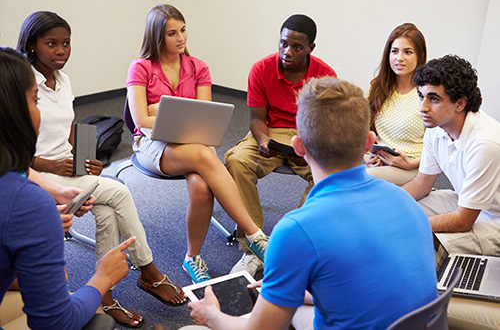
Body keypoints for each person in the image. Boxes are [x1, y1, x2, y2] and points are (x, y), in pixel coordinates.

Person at [186, 76, 438, 330]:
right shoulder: (405, 201)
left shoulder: (296, 230)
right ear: (369, 142)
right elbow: (372, 284)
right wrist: (293, 287)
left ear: (298, 147)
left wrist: (210, 316)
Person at [16, 10, 186, 328]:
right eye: (51, 43)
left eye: (66, 43)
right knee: (119, 191)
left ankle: (104, 299)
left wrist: (84, 157)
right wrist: (48, 163)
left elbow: (68, 128)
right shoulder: (23, 84)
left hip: (68, 167)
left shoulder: (63, 80)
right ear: (32, 45)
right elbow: (13, 154)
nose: (61, 50)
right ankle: (148, 271)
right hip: (39, 173)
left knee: (106, 212)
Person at [126, 4, 268, 283]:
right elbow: (141, 119)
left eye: (183, 30)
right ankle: (255, 235)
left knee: (202, 188)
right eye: (171, 33)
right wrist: (160, 114)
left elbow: (205, 116)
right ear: (157, 37)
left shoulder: (198, 67)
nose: (181, 38)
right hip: (152, 144)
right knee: (204, 156)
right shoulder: (140, 67)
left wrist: (161, 110)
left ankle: (192, 258)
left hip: (193, 140)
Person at [0, 46, 135, 330]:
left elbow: (20, 172)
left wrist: (54, 197)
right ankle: (134, 281)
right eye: (35, 100)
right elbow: (56, 322)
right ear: (13, 112)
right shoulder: (25, 202)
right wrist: (102, 277)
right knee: (91, 315)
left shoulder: (21, 191)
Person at [224, 14, 337, 276]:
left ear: (311, 48)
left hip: (308, 135)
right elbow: (256, 120)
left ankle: (292, 242)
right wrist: (263, 140)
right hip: (270, 132)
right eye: (283, 43)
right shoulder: (261, 69)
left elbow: (325, 124)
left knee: (330, 175)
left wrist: (307, 147)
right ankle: (254, 246)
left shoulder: (325, 75)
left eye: (297, 47)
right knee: (236, 160)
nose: (288, 52)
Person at [402, 54, 500, 329]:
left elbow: (463, 220)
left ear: (460, 103)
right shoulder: (435, 127)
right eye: (421, 96)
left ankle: (409, 306)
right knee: (405, 209)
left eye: (433, 98)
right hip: (468, 202)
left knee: (427, 236)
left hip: (493, 220)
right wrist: (388, 206)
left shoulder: (486, 143)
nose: (423, 107)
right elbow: (422, 184)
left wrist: (411, 224)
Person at [364, 23, 427, 185]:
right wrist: (366, 156)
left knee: (358, 181)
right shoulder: (378, 87)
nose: (399, 58)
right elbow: (364, 132)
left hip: (410, 166)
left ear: (420, 56)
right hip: (378, 162)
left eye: (408, 52)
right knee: (336, 175)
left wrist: (410, 163)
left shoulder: (427, 94)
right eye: (394, 51)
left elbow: (439, 147)